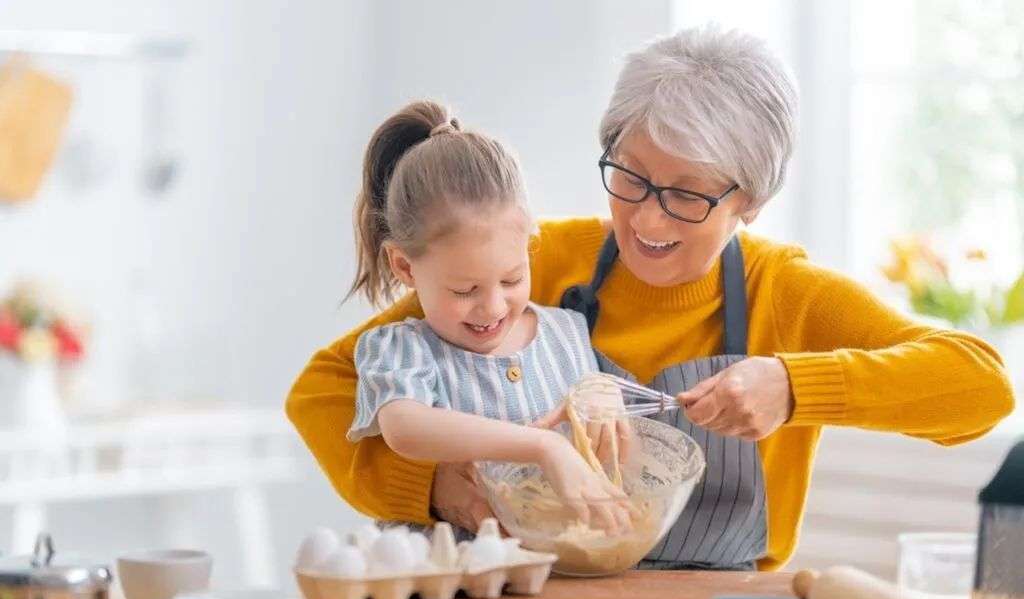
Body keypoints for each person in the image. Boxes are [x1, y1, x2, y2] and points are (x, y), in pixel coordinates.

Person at [287, 26, 1014, 570]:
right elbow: (323, 390)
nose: (647, 220)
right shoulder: (532, 265)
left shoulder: (784, 294)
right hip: (533, 593)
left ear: (751, 201)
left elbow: (980, 386)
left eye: (687, 195)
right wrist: (434, 487)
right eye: (630, 177)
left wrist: (796, 386)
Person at [344, 99, 631, 532]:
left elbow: (615, 461)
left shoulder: (568, 333)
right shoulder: (400, 350)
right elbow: (406, 428)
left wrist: (603, 397)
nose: (493, 307)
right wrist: (543, 447)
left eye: (512, 279)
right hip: (446, 571)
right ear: (404, 266)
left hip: (556, 567)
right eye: (465, 290)